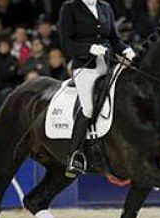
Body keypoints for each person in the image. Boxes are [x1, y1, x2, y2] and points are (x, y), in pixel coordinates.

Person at [58, 0, 136, 177]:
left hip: (108, 64)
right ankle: (75, 154)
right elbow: (66, 43)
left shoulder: (105, 7)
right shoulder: (70, 8)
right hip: (85, 67)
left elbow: (114, 40)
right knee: (89, 107)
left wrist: (126, 49)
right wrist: (89, 48)